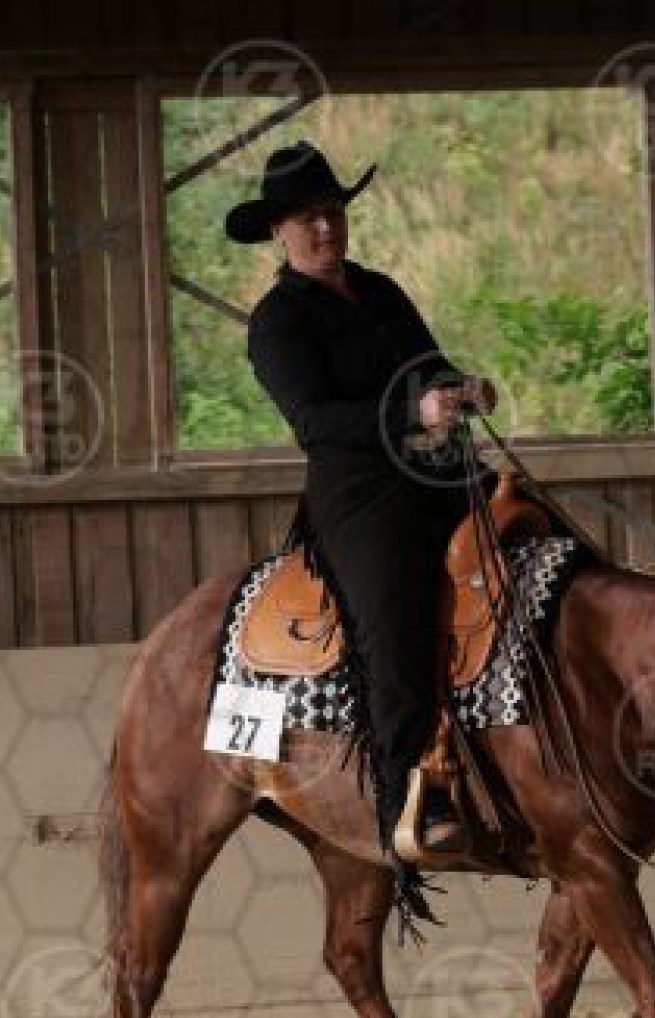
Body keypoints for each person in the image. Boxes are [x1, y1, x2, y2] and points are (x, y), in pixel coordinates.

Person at [229, 140, 496, 889]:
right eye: (307, 219)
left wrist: (463, 387)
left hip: (433, 473)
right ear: (278, 231)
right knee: (394, 617)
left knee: (527, 542)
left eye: (333, 212)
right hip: (359, 493)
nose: (324, 228)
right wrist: (413, 409)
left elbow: (428, 364)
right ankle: (404, 800)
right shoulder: (277, 320)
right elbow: (314, 421)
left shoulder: (380, 290)